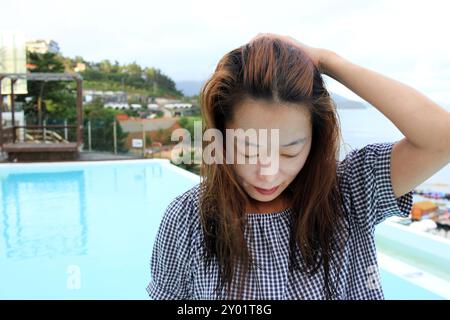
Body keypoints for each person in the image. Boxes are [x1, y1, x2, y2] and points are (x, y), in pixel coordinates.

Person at [147, 33, 450, 299]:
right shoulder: (187, 220)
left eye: (290, 152)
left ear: (315, 140)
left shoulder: (349, 193)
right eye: (248, 152)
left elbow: (441, 139)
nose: (268, 173)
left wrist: (327, 61)